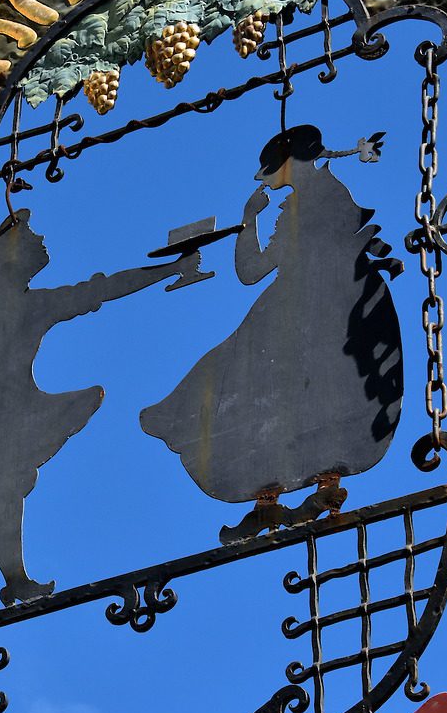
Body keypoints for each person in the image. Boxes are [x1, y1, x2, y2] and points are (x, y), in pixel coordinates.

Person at [0, 210, 199, 620]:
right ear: (10, 264)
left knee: (4, 499)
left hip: (5, 418)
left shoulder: (32, 307)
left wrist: (169, 269)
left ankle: (14, 579)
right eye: (32, 237)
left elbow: (101, 289)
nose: (42, 238)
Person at [140, 126, 403, 542]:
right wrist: (250, 219)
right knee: (258, 385)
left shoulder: (323, 198)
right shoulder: (305, 203)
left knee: (307, 385)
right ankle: (270, 493)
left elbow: (255, 270)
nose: (265, 177)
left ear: (290, 162)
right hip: (304, 304)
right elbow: (252, 272)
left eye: (270, 169)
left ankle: (321, 480)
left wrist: (252, 221)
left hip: (326, 305)